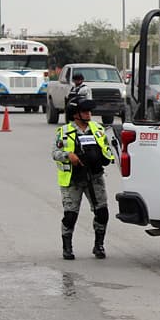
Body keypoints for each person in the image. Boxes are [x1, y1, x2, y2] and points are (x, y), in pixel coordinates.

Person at [51, 97, 115, 260]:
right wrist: (68, 155)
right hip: (73, 179)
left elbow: (107, 148)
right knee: (70, 215)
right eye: (85, 111)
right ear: (75, 114)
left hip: (95, 178)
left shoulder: (97, 129)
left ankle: (99, 245)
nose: (89, 114)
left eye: (89, 111)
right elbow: (55, 153)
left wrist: (105, 157)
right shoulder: (64, 132)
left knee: (102, 213)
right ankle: (67, 247)